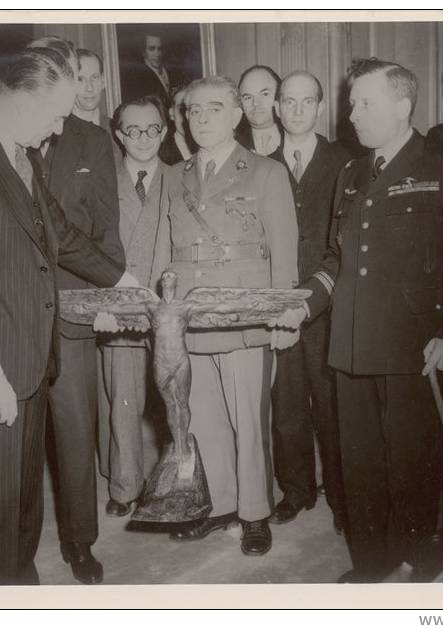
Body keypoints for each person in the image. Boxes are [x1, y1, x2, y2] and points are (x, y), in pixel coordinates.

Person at [0, 44, 136, 585]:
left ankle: (20, 588)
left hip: (33, 358)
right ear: (20, 98)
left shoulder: (24, 154)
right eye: (58, 114)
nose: (60, 129)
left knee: (21, 504)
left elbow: (60, 234)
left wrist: (124, 281)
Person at [273, 59, 443, 582]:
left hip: (415, 346)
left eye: (364, 103)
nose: (352, 114)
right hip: (351, 343)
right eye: (351, 103)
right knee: (361, 465)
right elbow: (335, 259)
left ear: (402, 106)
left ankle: (419, 558)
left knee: (413, 462)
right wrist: (303, 305)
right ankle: (372, 564)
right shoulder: (350, 172)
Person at [150, 75, 299, 556]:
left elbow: (284, 252)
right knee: (204, 419)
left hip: (244, 318)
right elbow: (160, 252)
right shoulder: (173, 176)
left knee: (249, 422)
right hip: (192, 318)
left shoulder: (265, 172)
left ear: (237, 115)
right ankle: (220, 506)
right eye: (193, 111)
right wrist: (162, 318)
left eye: (214, 108)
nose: (203, 119)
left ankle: (255, 512)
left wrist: (282, 315)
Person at [24, 35, 125, 585]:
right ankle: (17, 539)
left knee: (74, 429)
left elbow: (105, 228)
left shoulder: (91, 141)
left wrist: (106, 299)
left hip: (76, 304)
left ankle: (78, 540)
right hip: (16, 308)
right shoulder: (6, 136)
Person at [266, 71, 349, 531]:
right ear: (276, 108)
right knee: (287, 404)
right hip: (280, 305)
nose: (297, 110)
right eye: (288, 101)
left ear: (320, 107)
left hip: (330, 305)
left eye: (307, 101)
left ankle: (341, 494)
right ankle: (296, 491)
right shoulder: (263, 164)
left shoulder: (344, 162)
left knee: (334, 407)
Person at [98, 95, 170, 517]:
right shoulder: (105, 182)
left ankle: (181, 479)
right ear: (118, 134)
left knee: (177, 399)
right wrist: (105, 300)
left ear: (165, 131)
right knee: (122, 399)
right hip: (121, 307)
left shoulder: (181, 177)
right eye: (132, 130)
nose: (143, 138)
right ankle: (125, 486)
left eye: (152, 129)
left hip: (167, 306)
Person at [122, 33, 182, 106]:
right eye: (152, 49)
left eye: (159, 49)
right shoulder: (137, 78)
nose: (157, 54)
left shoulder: (172, 71)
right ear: (143, 52)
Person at [236, 65, 283, 156]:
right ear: (241, 103)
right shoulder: (232, 145)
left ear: (279, 96)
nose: (256, 103)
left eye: (265, 94)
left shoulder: (297, 138)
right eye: (248, 97)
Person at [159, 85, 197, 165]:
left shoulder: (208, 146)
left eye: (194, 109)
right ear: (171, 113)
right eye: (182, 109)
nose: (187, 115)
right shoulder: (160, 157)